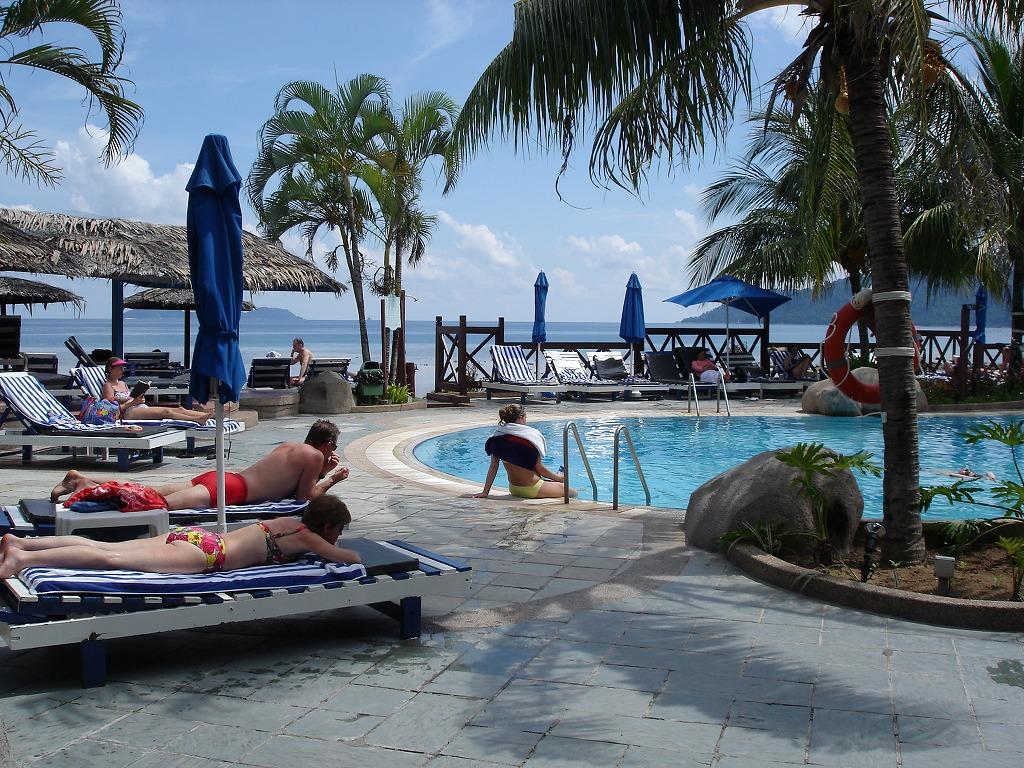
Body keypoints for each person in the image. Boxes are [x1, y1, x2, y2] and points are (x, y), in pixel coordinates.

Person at [0, 495, 360, 578]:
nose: (339, 536)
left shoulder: (289, 521)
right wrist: (347, 551)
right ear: (327, 526)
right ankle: (23, 559)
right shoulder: (309, 538)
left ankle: (22, 543)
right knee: (111, 558)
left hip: (198, 536)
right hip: (207, 556)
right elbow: (349, 559)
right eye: (339, 529)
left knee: (106, 546)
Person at [50, 419, 349, 509]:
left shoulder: (292, 446)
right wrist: (332, 478)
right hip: (230, 492)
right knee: (154, 504)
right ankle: (86, 488)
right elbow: (304, 497)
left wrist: (322, 471)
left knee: (150, 491)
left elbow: (288, 484)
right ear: (327, 445)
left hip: (223, 479)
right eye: (333, 448)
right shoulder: (314, 456)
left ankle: (84, 481)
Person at [475, 404, 577, 500]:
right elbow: (540, 469)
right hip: (532, 488)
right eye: (525, 418)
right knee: (573, 492)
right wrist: (558, 478)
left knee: (554, 483)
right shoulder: (529, 438)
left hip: (514, 488)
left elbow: (493, 467)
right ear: (521, 417)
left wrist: (485, 492)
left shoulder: (497, 438)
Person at [102, 357, 211, 425]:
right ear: (110, 369)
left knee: (179, 409)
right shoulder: (108, 386)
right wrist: (132, 402)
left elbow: (130, 398)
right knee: (167, 412)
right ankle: (197, 419)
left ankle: (207, 415)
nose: (122, 370)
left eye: (123, 367)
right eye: (119, 368)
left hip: (139, 407)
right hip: (128, 413)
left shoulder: (123, 383)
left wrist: (139, 398)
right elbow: (110, 409)